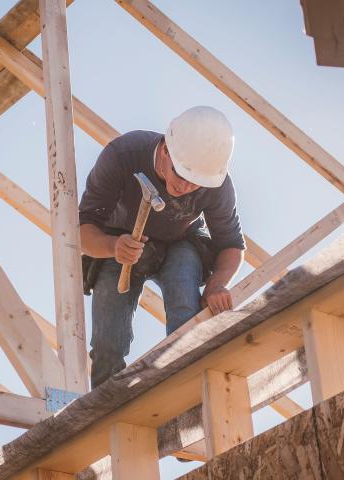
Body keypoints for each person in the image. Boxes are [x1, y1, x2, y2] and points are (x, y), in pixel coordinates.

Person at [79, 106, 246, 388]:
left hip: (181, 244)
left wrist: (217, 284)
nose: (185, 187)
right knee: (108, 343)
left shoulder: (216, 183)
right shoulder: (123, 156)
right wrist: (112, 246)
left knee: (185, 321)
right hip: (122, 242)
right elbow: (82, 229)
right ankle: (107, 414)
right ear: (166, 149)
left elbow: (232, 245)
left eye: (196, 184)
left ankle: (186, 389)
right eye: (180, 174)